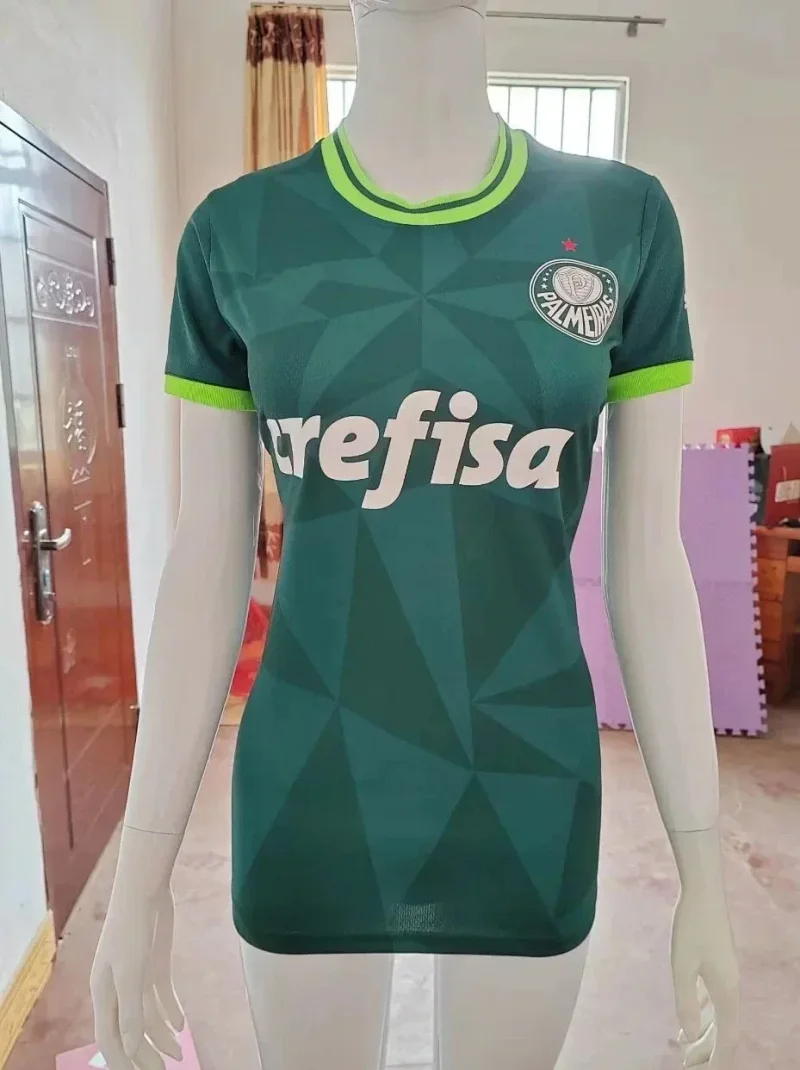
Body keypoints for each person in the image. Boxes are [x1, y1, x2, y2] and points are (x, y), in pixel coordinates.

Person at [90, 1, 739, 1067]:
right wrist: (141, 870)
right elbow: (205, 559)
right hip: (310, 792)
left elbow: (647, 565)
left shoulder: (623, 220)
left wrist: (700, 861)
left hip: (528, 792)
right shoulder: (237, 235)